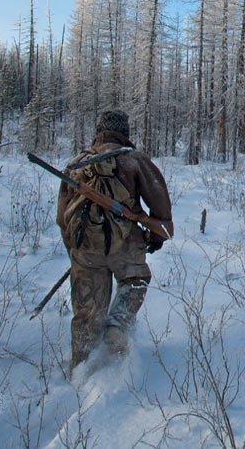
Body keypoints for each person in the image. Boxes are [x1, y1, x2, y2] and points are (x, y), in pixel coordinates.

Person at [56, 109, 174, 373]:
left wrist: (76, 252)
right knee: (135, 279)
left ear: (98, 132)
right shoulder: (134, 160)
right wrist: (156, 237)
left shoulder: (76, 164)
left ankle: (81, 370)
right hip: (126, 247)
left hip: (85, 250)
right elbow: (162, 210)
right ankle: (118, 326)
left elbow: (63, 218)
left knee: (87, 314)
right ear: (125, 133)